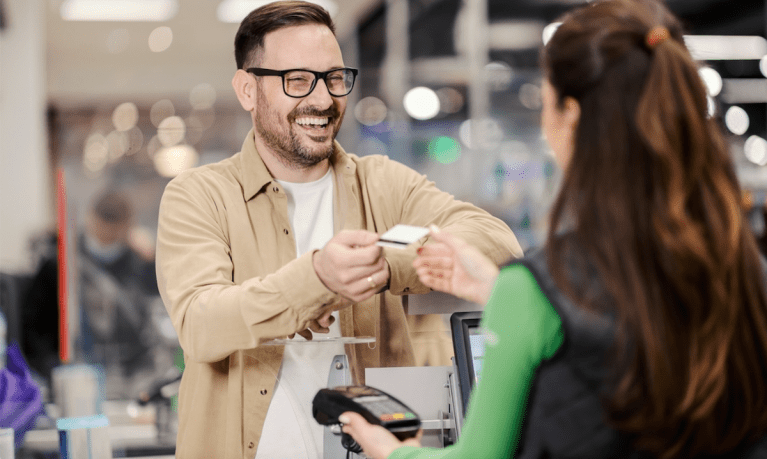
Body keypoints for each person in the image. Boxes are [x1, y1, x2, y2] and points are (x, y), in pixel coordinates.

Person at [340, 0, 767, 457]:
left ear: (572, 114)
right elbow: (637, 327)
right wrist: (495, 289)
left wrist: (389, 447)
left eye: (546, 101)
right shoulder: (742, 267)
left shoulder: (533, 291)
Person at [154, 1, 522, 458]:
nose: (323, 99)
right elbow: (201, 323)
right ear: (247, 90)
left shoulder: (382, 183)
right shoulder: (200, 195)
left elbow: (496, 242)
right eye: (298, 80)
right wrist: (316, 281)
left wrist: (388, 265)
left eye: (333, 77)